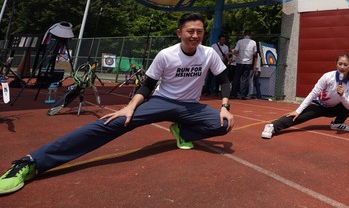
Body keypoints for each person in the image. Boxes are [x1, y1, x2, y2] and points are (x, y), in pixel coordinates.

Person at [0, 13, 234, 195]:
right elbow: (147, 85)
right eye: (190, 31)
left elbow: (224, 81)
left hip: (191, 106)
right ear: (179, 33)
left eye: (199, 32)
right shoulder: (166, 54)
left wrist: (225, 106)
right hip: (162, 101)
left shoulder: (209, 54)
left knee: (223, 125)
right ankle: (31, 162)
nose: (195, 36)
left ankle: (182, 130)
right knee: (115, 121)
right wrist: (130, 107)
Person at [261, 53, 349, 139]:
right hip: (319, 106)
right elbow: (313, 93)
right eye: (340, 64)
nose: (342, 67)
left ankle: (337, 123)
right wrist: (298, 110)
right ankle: (272, 126)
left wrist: (342, 95)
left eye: (345, 65)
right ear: (336, 64)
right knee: (297, 116)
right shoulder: (328, 77)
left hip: (335, 108)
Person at [231, 30, 257, 100]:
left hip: (240, 62)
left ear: (244, 35)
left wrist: (237, 53)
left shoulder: (240, 41)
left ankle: (233, 94)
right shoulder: (253, 42)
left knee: (236, 78)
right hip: (248, 63)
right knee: (244, 79)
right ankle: (242, 95)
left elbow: (236, 51)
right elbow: (255, 53)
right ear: (250, 35)